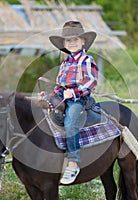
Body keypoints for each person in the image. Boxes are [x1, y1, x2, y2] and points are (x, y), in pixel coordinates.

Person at [48, 21, 98, 184]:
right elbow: (59, 83)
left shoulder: (86, 59)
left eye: (76, 39)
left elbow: (91, 81)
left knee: (70, 122)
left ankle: (73, 162)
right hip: (64, 97)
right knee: (46, 118)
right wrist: (52, 95)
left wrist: (74, 92)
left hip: (79, 98)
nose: (72, 42)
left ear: (83, 41)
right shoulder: (65, 63)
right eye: (68, 40)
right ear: (64, 44)